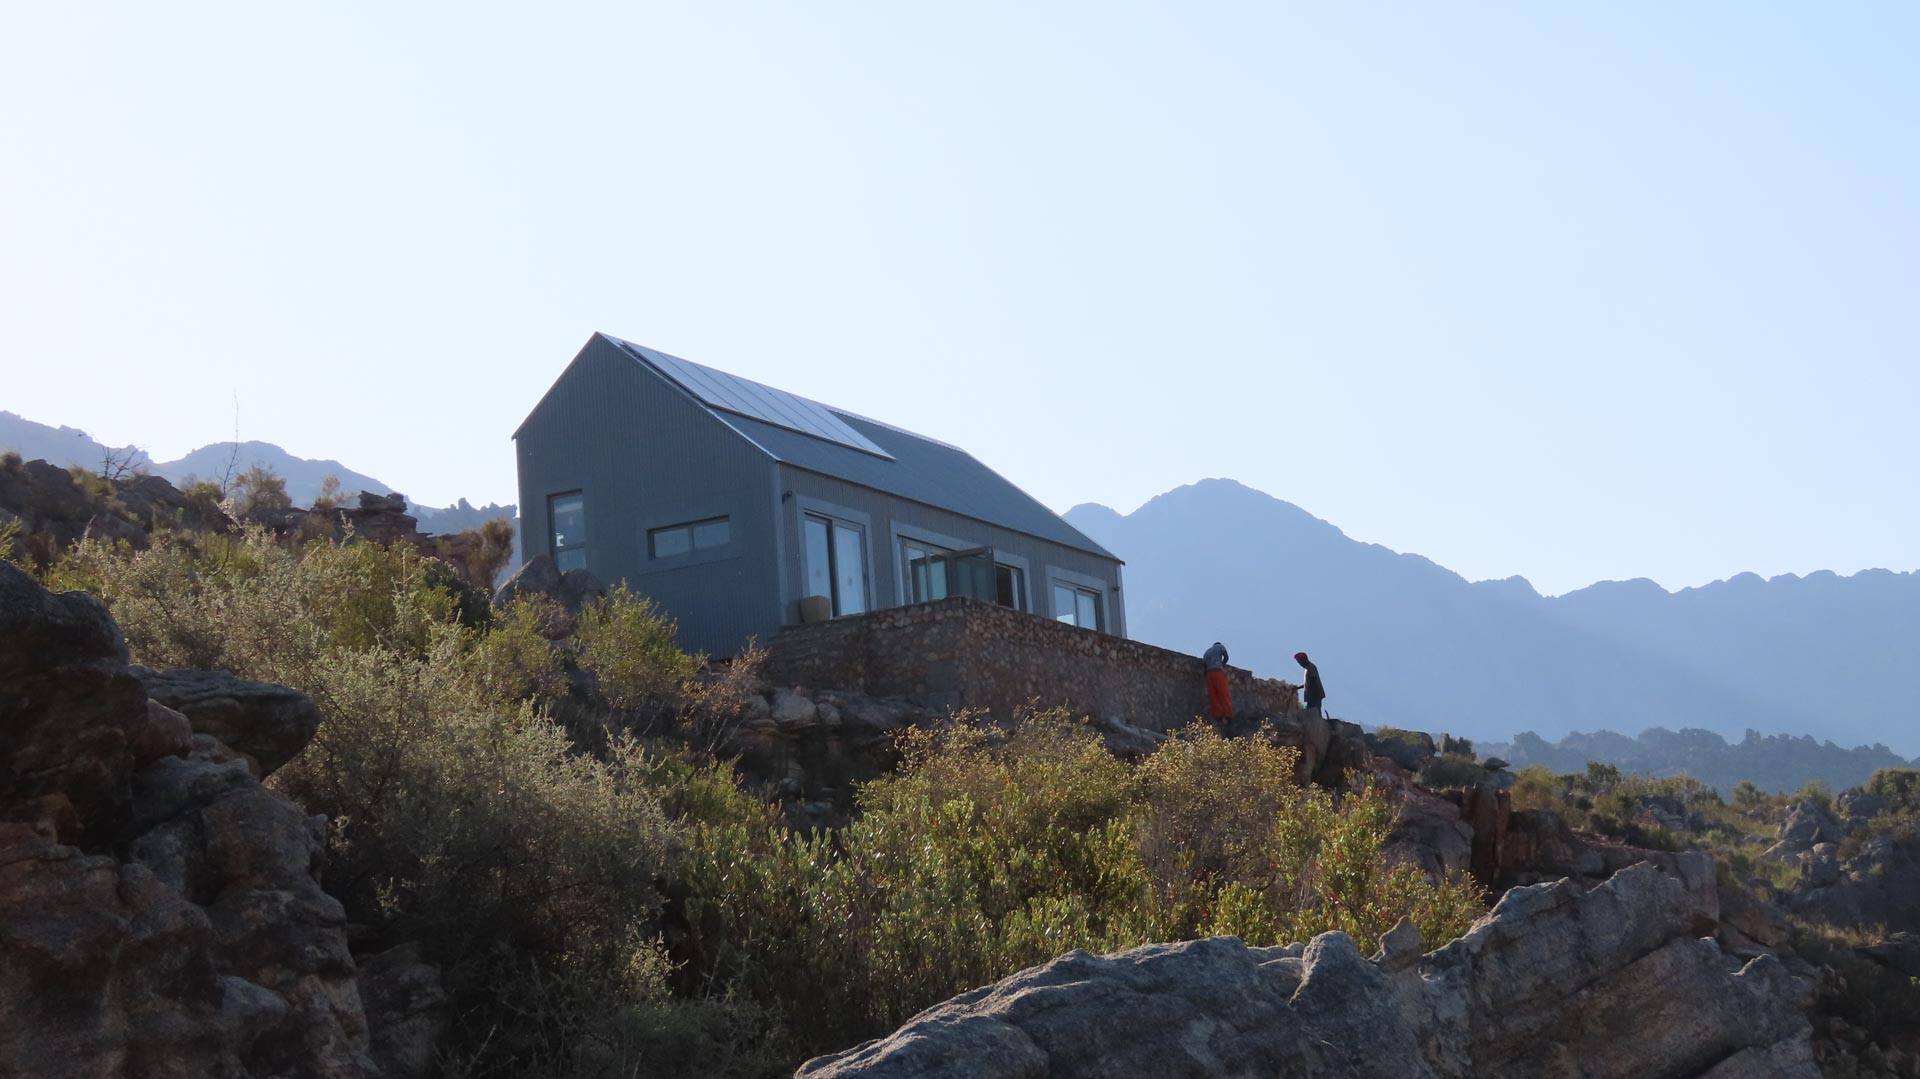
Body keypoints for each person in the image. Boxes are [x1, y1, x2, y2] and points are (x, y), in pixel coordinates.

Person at [1202, 641, 1233, 721]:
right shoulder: (1220, 646)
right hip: (1218, 672)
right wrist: (1222, 665)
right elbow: (1226, 657)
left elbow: (1204, 665)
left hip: (1209, 674)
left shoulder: (1207, 652)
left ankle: (1218, 716)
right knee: (1223, 693)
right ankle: (1228, 716)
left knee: (1213, 696)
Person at [1294, 651, 1326, 715]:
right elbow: (1308, 683)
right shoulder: (1307, 668)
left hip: (1315, 695)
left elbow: (1313, 679)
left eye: (1299, 662)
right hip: (1312, 696)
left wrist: (1314, 694)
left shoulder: (1310, 667)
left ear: (1303, 660)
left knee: (1314, 713)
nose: (1300, 664)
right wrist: (1298, 688)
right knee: (1311, 712)